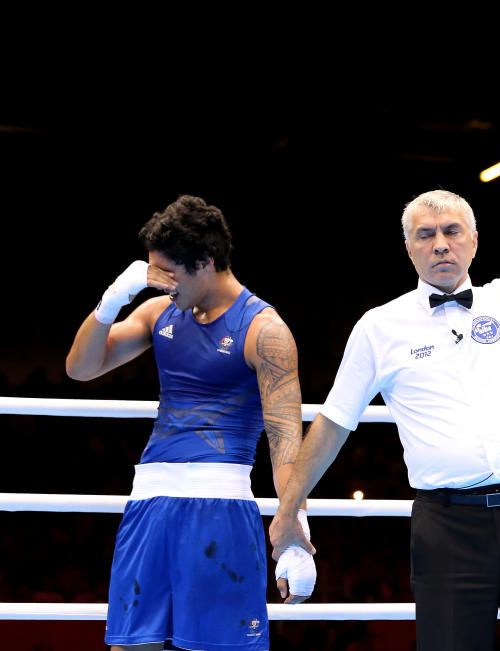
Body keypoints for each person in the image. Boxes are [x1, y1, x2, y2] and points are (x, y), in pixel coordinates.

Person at [270, 187, 500, 649]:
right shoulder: (378, 327)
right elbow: (333, 421)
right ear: (409, 248)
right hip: (448, 530)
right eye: (426, 235)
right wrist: (288, 509)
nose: (440, 244)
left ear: (474, 240)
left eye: (451, 231)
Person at [65, 195, 315, 651]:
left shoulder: (264, 330)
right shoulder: (160, 311)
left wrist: (295, 529)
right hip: (148, 504)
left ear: (206, 262)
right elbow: (80, 368)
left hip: (218, 508)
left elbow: (285, 441)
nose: (158, 283)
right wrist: (112, 300)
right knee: (131, 646)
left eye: (168, 273)